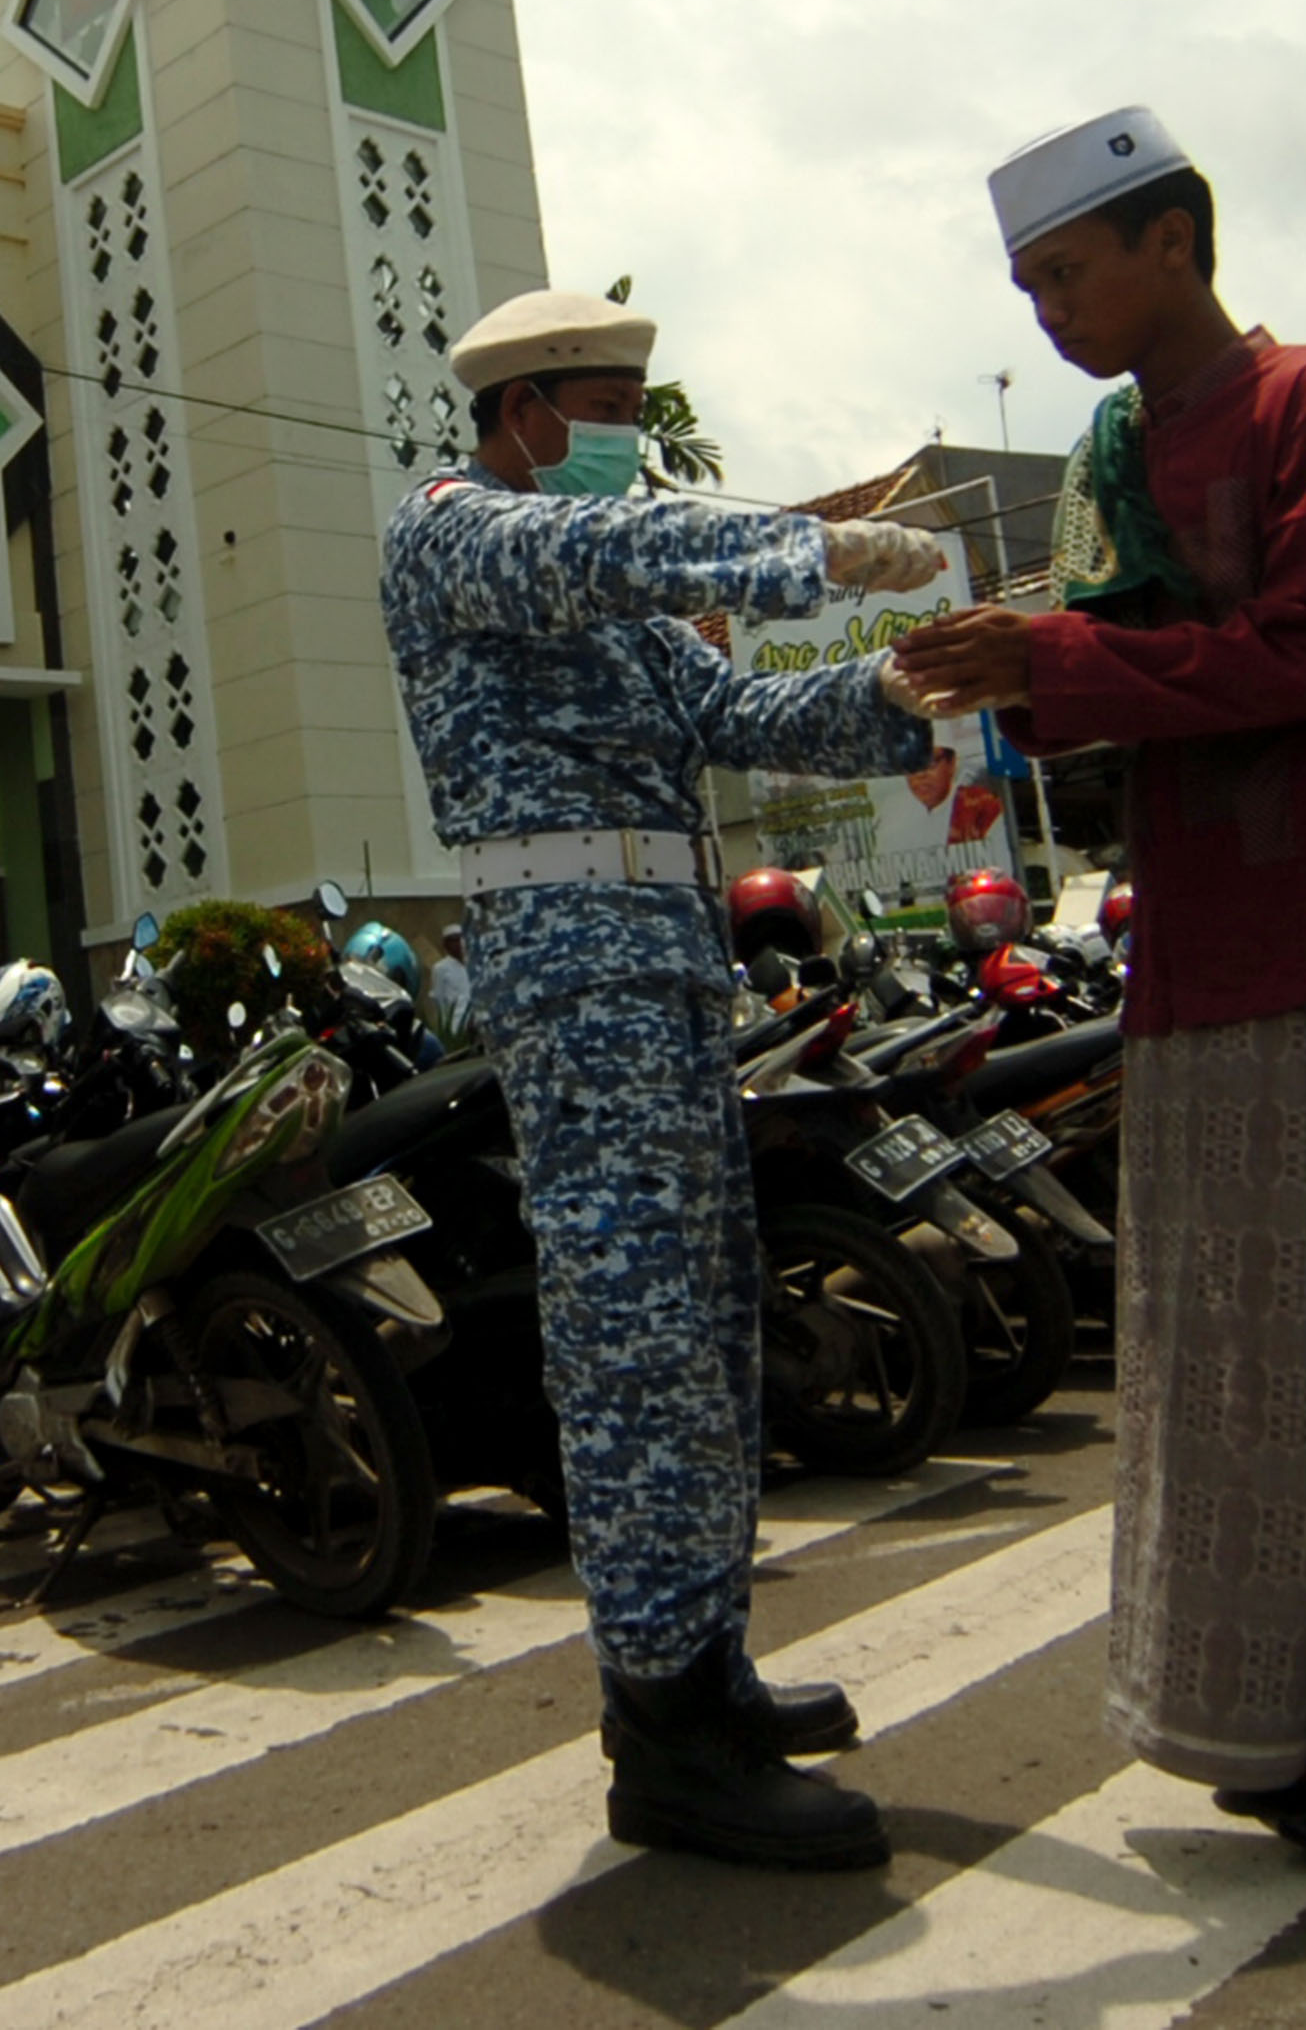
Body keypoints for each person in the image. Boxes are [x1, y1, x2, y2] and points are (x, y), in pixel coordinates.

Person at [892, 108, 1306, 1880]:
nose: (1049, 313)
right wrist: (999, 669)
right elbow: (1106, 677)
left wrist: (1059, 655)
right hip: (1203, 956)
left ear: (1175, 236)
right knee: (1241, 1362)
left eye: (1068, 271)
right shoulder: (1109, 454)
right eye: (1023, 289)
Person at [381, 284, 953, 1871]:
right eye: (603, 402)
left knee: (702, 1322)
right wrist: (808, 546)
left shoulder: (630, 611)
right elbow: (588, 549)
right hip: (573, 958)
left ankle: (703, 1661)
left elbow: (749, 712)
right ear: (521, 412)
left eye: (640, 402)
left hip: (673, 959)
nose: (624, 431)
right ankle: (658, 1728)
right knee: (631, 1334)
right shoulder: (453, 530)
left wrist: (909, 691)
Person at [425, 925, 473, 1038]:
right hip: (457, 1024)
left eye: (460, 939)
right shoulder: (440, 968)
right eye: (454, 940)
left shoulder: (473, 963)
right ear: (446, 945)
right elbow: (439, 998)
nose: (458, 944)